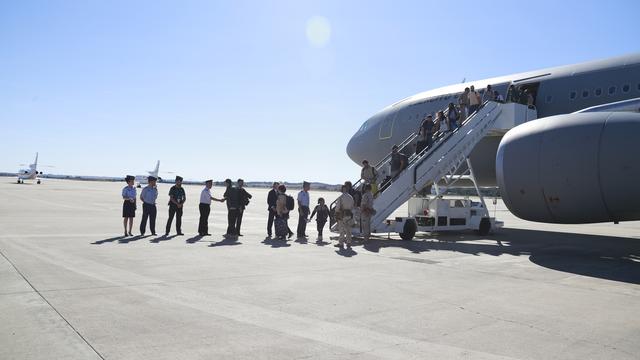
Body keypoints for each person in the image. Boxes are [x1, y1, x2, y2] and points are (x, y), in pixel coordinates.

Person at [334, 185, 355, 250]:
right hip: (349, 215)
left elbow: (337, 208)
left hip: (342, 215)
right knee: (348, 230)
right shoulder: (350, 197)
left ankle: (341, 243)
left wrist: (336, 212)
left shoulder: (341, 197)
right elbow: (352, 206)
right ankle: (348, 242)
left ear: (342, 189)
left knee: (342, 230)